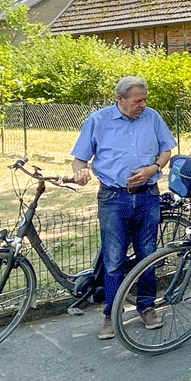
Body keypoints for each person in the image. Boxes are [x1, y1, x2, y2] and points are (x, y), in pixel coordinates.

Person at [71, 76, 177, 341]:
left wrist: (153, 168)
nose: (142, 105)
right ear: (120, 99)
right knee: (114, 259)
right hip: (113, 198)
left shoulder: (152, 118)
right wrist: (80, 173)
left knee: (148, 255)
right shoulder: (97, 121)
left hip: (147, 196)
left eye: (144, 100)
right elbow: (79, 159)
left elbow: (167, 152)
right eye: (136, 101)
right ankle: (111, 315)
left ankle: (147, 307)